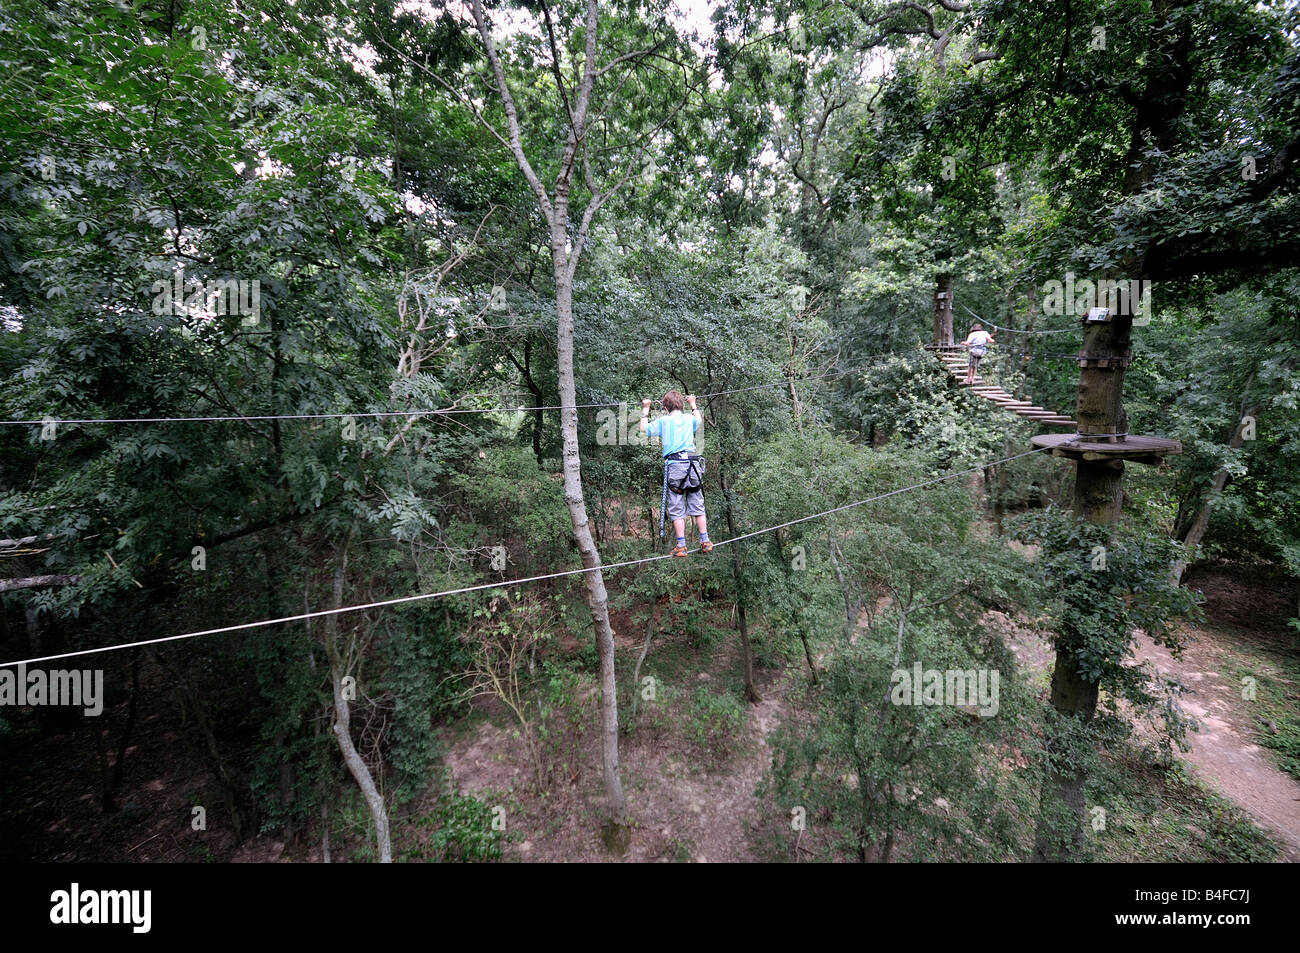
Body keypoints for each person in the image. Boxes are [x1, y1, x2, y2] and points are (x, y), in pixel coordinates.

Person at [640, 391, 712, 557]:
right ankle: (705, 540)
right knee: (697, 503)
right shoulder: (689, 418)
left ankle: (681, 545)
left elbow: (644, 429)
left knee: (676, 505)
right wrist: (693, 404)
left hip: (676, 465)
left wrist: (646, 408)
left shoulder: (664, 421)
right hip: (693, 464)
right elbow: (699, 422)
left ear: (665, 407)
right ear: (681, 405)